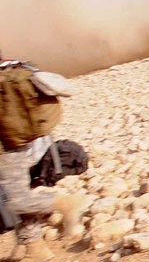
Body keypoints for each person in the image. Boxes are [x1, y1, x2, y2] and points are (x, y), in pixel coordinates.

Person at [0, 59, 84, 262]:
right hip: (34, 143)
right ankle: (34, 248)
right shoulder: (15, 69)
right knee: (14, 194)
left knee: (15, 201)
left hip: (12, 149)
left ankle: (66, 203)